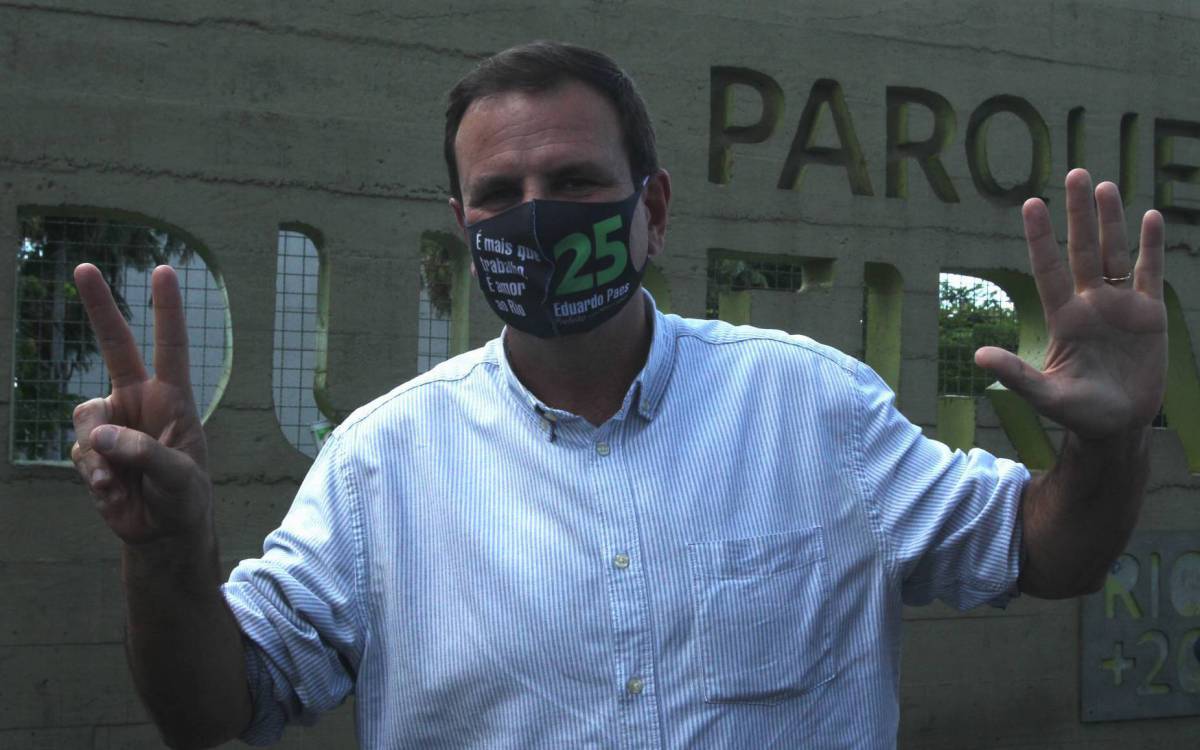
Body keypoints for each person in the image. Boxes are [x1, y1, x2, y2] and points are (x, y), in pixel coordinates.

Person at [69, 41, 1166, 749]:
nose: (538, 215)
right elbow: (214, 705)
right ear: (461, 225)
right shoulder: (378, 464)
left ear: (654, 209)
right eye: (500, 194)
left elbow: (1044, 553)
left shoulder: (807, 409)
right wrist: (167, 552)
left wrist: (1107, 452)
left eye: (577, 183)